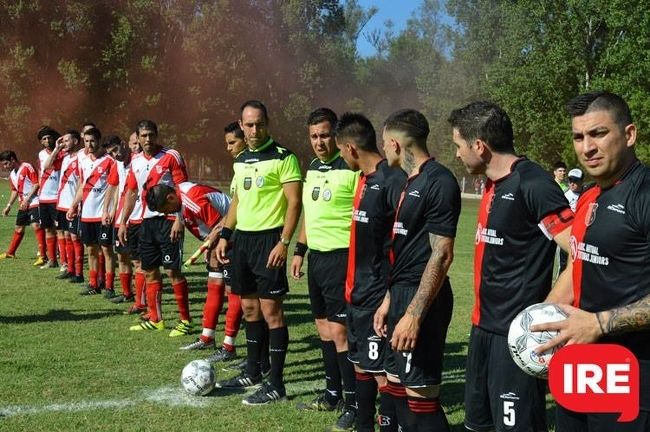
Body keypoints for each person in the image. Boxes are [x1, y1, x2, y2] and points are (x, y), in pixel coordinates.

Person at [448, 101, 574, 432]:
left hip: (516, 338)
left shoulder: (534, 184)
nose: (457, 154)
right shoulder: (492, 182)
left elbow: (582, 251)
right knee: (477, 425)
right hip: (481, 329)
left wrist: (547, 311)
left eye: (459, 146)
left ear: (479, 146)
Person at [534, 90, 650, 432]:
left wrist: (598, 324)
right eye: (579, 137)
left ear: (629, 135)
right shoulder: (588, 197)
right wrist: (541, 327)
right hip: (580, 366)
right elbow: (579, 265)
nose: (587, 147)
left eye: (599, 134)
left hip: (632, 372)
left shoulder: (644, 196)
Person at [375, 109, 460, 432]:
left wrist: (414, 313)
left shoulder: (439, 180)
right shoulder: (410, 181)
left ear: (396, 144)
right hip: (400, 294)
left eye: (385, 144)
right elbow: (404, 250)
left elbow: (442, 254)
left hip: (422, 300)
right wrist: (388, 300)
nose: (384, 150)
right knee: (397, 388)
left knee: (420, 396)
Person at [214, 100, 302, 406]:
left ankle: (276, 383)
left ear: (268, 122)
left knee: (271, 312)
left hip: (269, 242)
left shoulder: (284, 157)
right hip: (243, 242)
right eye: (249, 125)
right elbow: (237, 200)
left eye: (260, 123)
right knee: (249, 309)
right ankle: (252, 371)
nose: (255, 130)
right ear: (241, 125)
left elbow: (294, 203)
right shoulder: (241, 159)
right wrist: (226, 234)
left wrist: (284, 242)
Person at [335, 112, 407, 432]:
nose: (340, 156)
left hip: (378, 298)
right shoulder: (364, 179)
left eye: (340, 150)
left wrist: (388, 298)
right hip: (357, 294)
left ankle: (391, 425)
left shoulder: (393, 182)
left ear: (350, 148)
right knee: (361, 366)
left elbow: (404, 247)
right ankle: (364, 424)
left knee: (382, 374)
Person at [290, 108, 358, 430]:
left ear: (337, 135)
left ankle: (354, 403)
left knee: (340, 332)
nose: (319, 142)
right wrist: (299, 251)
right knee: (322, 329)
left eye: (325, 135)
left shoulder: (352, 168)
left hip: (341, 257)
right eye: (314, 136)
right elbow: (309, 212)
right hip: (316, 258)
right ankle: (332, 393)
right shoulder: (314, 167)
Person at [117, 120, 193, 337]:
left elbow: (182, 189)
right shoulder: (136, 160)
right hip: (146, 223)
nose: (148, 140)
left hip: (169, 221)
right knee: (149, 271)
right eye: (144, 136)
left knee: (172, 271)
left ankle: (185, 321)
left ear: (157, 135)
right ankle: (155, 319)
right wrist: (123, 221)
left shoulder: (171, 156)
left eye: (151, 135)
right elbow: (131, 192)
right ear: (138, 138)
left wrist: (179, 218)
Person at [145, 182, 238, 357]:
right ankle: (207, 338)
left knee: (232, 291)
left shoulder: (192, 199)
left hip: (233, 238)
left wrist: (213, 244)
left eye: (166, 209)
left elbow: (221, 223)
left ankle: (228, 347)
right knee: (214, 286)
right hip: (220, 239)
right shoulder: (179, 197)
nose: (167, 214)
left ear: (170, 198)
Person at [67, 127, 119, 296]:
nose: (89, 144)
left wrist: (111, 211)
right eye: (87, 141)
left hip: (102, 214)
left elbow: (114, 186)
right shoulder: (83, 161)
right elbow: (83, 185)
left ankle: (109, 286)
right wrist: (74, 205)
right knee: (90, 250)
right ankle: (93, 283)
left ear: (99, 140)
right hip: (86, 213)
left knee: (106, 250)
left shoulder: (110, 161)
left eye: (93, 141)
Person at [43, 131, 83, 281]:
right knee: (66, 235)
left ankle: (78, 272)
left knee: (74, 237)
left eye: (67, 140)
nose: (64, 143)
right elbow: (47, 166)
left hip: (73, 204)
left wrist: (76, 203)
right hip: (61, 204)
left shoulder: (81, 157)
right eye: (63, 140)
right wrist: (56, 149)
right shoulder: (63, 157)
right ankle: (69, 267)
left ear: (76, 141)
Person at [104, 134, 140, 303]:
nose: (115, 155)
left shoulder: (138, 161)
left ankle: (142, 299)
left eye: (116, 150)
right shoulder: (117, 164)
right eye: (111, 153)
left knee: (138, 261)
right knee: (122, 257)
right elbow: (112, 186)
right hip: (120, 218)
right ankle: (127, 294)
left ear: (123, 144)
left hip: (137, 216)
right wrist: (107, 210)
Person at [0, 151, 42, 260]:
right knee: (18, 228)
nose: (4, 167)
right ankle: (10, 253)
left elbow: (36, 184)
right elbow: (15, 191)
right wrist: (8, 206)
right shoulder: (12, 174)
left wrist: (27, 199)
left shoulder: (27, 167)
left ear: (13, 160)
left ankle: (43, 255)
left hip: (34, 202)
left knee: (36, 225)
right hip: (23, 204)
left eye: (6, 163)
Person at [36, 126, 63, 267]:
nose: (47, 140)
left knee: (60, 230)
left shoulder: (63, 153)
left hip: (57, 197)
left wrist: (58, 149)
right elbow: (47, 165)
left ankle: (64, 261)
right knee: (48, 229)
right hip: (44, 197)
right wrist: (57, 151)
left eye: (49, 138)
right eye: (44, 139)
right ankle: (52, 260)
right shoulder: (42, 154)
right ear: (41, 142)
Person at [558, 168, 584, 271]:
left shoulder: (586, 194)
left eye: (575, 181)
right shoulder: (564, 195)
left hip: (581, 234)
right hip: (567, 234)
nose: (572, 183)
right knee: (564, 265)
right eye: (570, 180)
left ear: (581, 181)